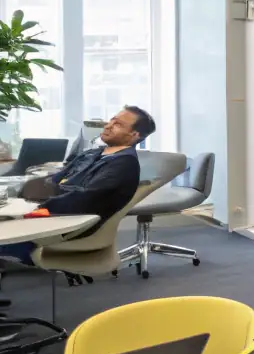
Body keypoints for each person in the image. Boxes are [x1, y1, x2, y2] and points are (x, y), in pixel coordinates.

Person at [0, 106, 153, 265]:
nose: (108, 126)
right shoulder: (92, 154)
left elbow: (85, 198)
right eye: (111, 121)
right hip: (48, 212)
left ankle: (21, 251)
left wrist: (36, 203)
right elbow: (53, 181)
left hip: (66, 224)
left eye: (118, 125)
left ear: (134, 135)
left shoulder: (123, 164)